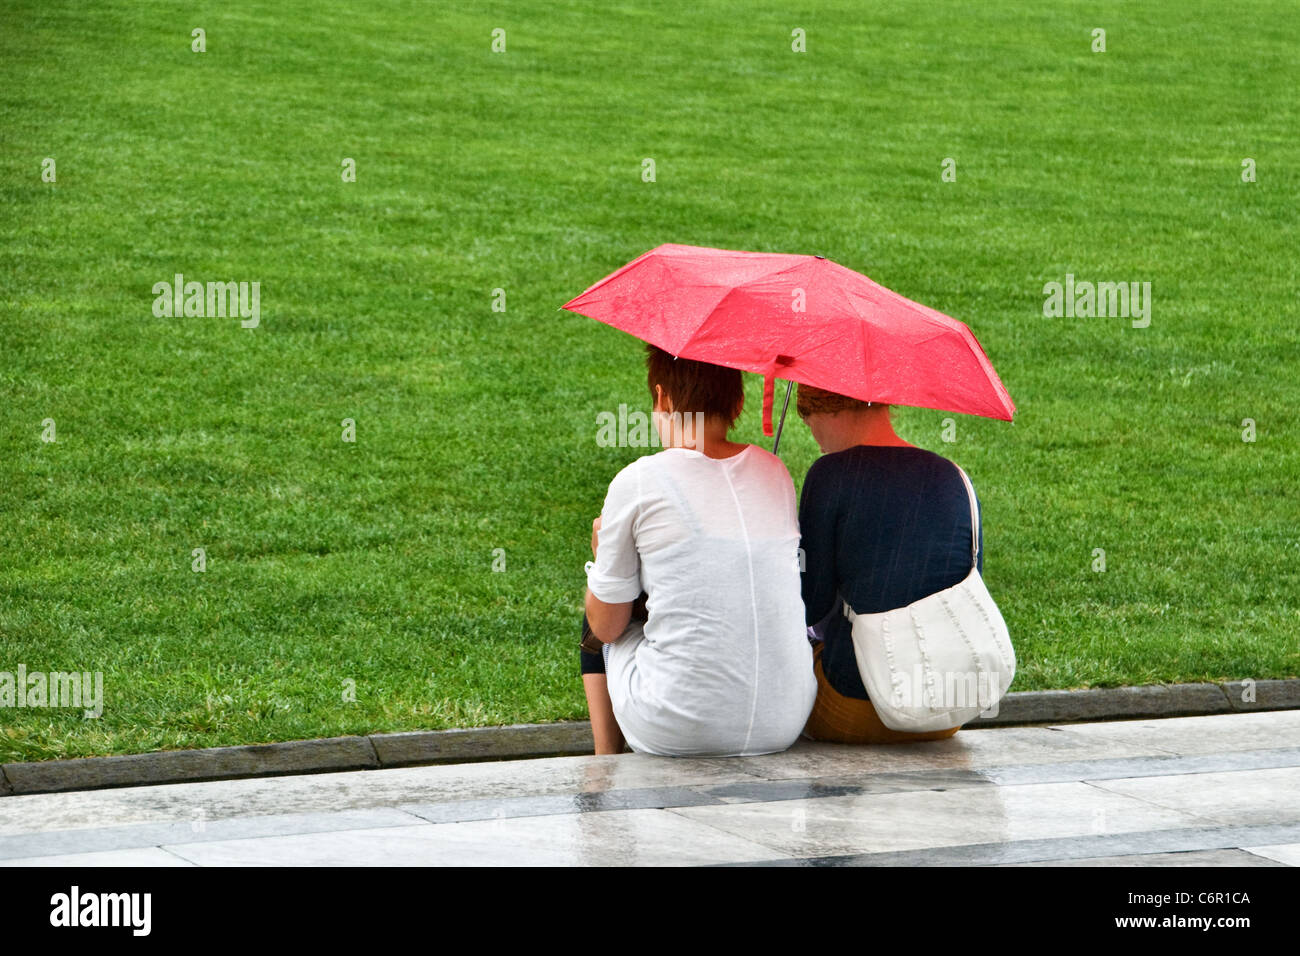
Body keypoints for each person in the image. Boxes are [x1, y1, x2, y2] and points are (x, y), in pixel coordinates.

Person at [579, 345, 817, 757]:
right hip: (785, 722)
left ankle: (605, 760)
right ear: (738, 401)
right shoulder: (774, 472)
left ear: (662, 398)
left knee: (601, 597)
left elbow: (607, 629)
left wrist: (604, 563)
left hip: (675, 727)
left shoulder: (638, 480)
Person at [795, 383, 983, 744]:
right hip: (945, 713)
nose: (816, 440)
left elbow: (809, 606)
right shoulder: (954, 477)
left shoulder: (829, 474)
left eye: (809, 421)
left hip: (853, 710)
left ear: (829, 408)